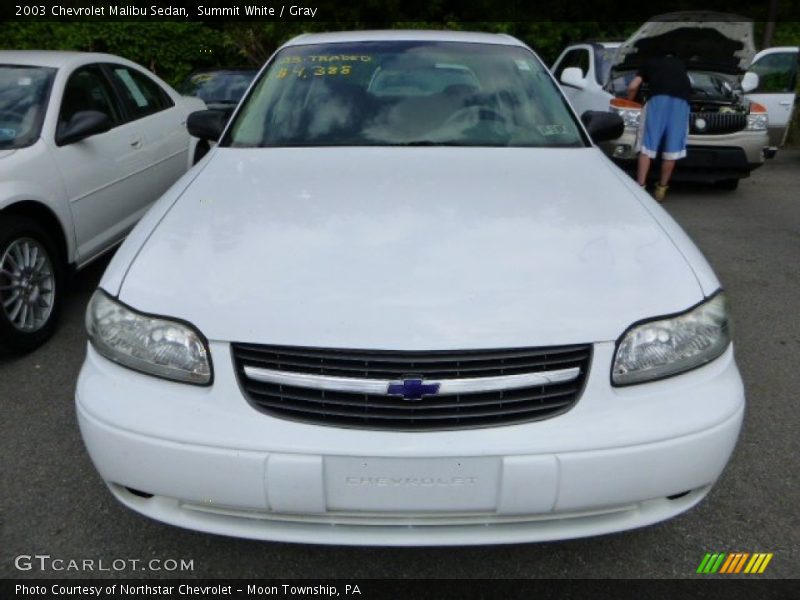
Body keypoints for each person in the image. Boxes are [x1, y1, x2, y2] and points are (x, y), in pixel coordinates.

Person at [627, 53, 692, 201]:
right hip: (681, 103)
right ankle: (661, 189)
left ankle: (641, 188)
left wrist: (630, 101)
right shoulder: (680, 64)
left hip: (658, 101)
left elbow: (632, 86)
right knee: (672, 150)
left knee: (647, 146)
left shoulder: (649, 61)